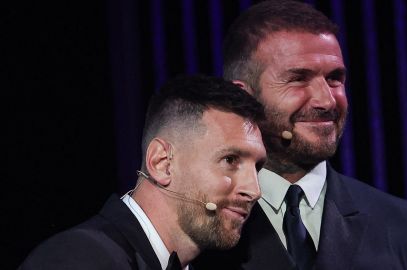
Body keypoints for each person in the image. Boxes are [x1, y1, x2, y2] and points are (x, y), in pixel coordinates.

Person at [194, 1, 407, 269]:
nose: (327, 101)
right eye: (299, 78)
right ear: (243, 96)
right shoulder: (196, 221)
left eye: (335, 78)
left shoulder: (402, 225)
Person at [19, 75, 267, 270]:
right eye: (230, 160)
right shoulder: (81, 259)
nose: (254, 191)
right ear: (161, 163)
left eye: (257, 167)